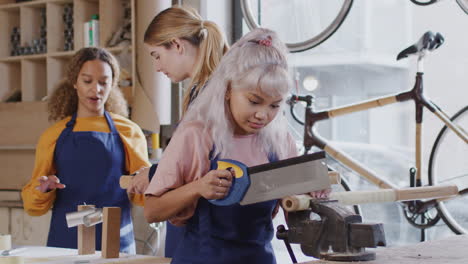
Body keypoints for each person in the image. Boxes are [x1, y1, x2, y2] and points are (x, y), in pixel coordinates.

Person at [143, 28, 328, 264]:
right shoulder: (196, 134)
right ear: (229, 89)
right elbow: (152, 210)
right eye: (254, 101)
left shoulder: (279, 141)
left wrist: (310, 198)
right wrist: (198, 188)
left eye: (274, 106)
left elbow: (294, 219)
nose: (263, 115)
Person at [21, 47, 150, 254]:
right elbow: (32, 205)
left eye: (103, 82)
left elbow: (143, 193)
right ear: (75, 82)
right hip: (67, 242)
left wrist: (149, 182)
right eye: (87, 81)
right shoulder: (53, 135)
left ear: (112, 84)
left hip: (115, 241)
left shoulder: (129, 131)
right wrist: (42, 189)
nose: (96, 89)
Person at [127, 5, 230, 257]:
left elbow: (201, 164)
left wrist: (154, 172)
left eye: (156, 55)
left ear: (177, 45)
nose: (157, 66)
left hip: (210, 227)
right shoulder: (203, 91)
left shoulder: (210, 96)